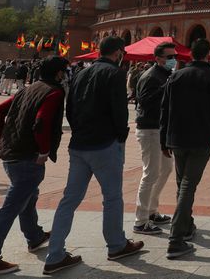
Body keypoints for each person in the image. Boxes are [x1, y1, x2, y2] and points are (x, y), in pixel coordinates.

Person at [44, 37, 144, 275]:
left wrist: (79, 130)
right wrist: (120, 136)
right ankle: (116, 245)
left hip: (79, 144)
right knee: (112, 198)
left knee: (69, 200)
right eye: (123, 52)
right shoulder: (115, 73)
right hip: (104, 144)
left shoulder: (81, 74)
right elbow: (119, 110)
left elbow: (70, 108)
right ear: (118, 52)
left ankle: (54, 255)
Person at [0, 57, 68, 277]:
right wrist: (44, 152)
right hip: (28, 156)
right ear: (58, 74)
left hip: (10, 154)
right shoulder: (54, 92)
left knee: (28, 195)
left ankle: (34, 236)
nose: (65, 75)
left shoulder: (28, 89)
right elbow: (42, 122)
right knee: (11, 207)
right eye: (64, 71)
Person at [159, 38, 210, 260]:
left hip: (176, 139)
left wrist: (164, 140)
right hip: (200, 140)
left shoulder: (176, 76)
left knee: (182, 183)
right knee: (187, 186)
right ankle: (175, 241)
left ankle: (187, 225)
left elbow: (165, 110)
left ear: (191, 54)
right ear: (208, 53)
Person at [132, 42, 176, 235]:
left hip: (160, 129)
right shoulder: (151, 76)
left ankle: (151, 210)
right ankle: (140, 220)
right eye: (169, 56)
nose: (173, 59)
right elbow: (144, 101)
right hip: (149, 129)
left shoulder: (165, 74)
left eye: (174, 56)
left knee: (166, 168)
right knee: (150, 172)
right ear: (158, 58)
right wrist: (166, 88)